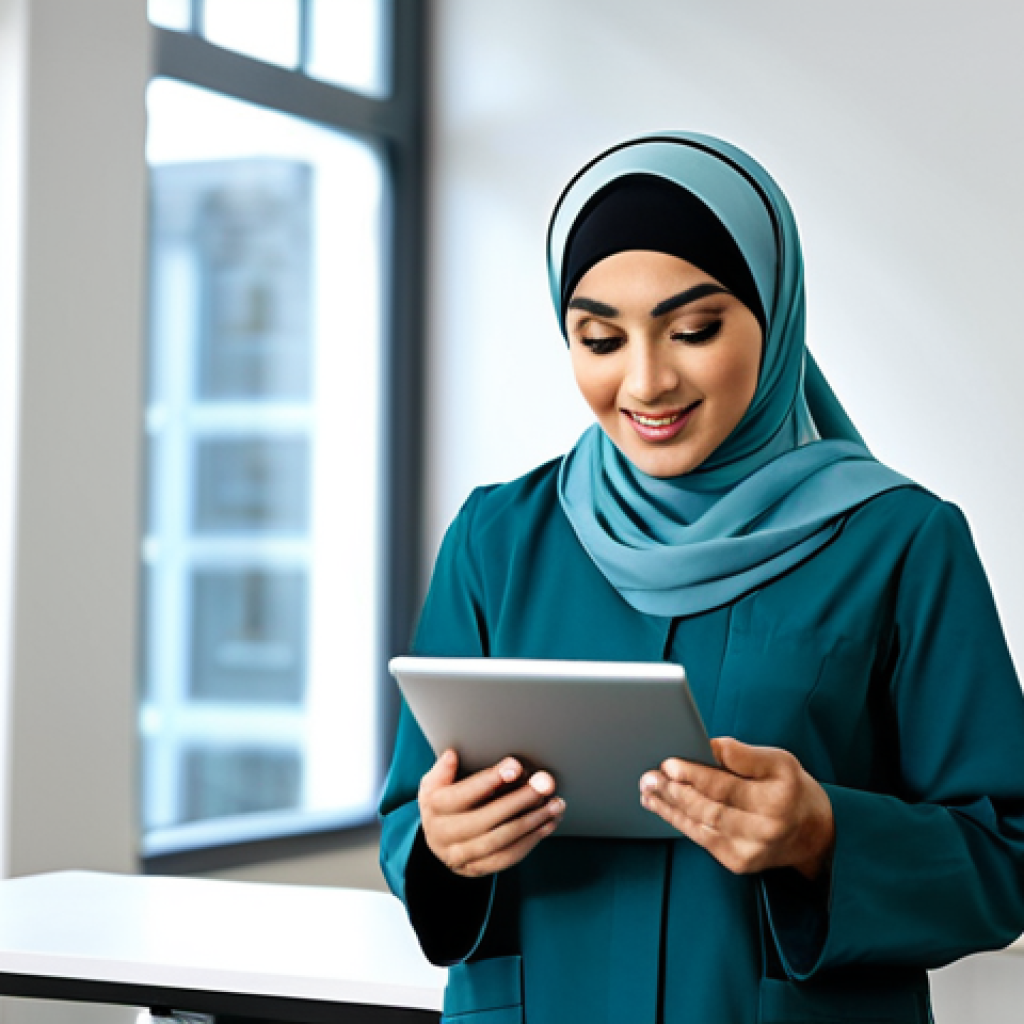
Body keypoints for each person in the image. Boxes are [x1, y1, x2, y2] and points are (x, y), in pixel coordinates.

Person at [378, 132, 1024, 1024]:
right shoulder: (499, 537)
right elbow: (411, 812)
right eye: (599, 338)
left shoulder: (900, 540)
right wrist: (440, 840)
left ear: (774, 312)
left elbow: (1006, 855)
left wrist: (823, 835)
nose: (645, 382)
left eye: (694, 329)